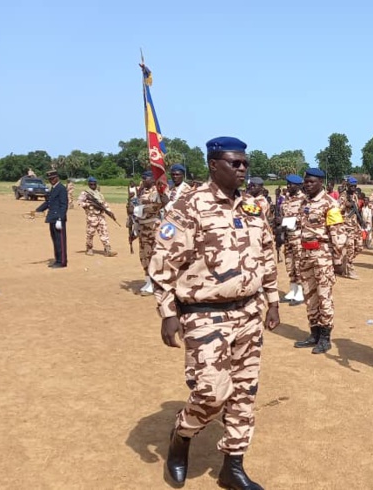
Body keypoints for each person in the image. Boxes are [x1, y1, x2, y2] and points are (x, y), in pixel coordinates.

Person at [150, 136, 277, 490]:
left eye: (244, 163)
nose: (242, 169)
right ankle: (182, 435)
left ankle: (232, 466)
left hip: (249, 312)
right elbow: (162, 262)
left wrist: (273, 298)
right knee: (211, 392)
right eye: (234, 163)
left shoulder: (254, 206)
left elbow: (266, 253)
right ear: (213, 164)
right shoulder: (189, 205)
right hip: (205, 314)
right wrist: (167, 311)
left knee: (244, 392)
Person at [293, 168, 346, 354]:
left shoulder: (330, 204)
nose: (307, 184)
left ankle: (325, 337)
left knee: (324, 296)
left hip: (322, 255)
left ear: (320, 183)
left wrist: (338, 259)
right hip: (305, 254)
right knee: (309, 295)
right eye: (306, 181)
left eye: (311, 182)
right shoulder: (304, 202)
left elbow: (337, 233)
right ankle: (313, 333)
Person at [131, 170, 163, 295]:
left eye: (146, 178)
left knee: (151, 255)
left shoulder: (156, 192)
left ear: (153, 179)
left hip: (152, 227)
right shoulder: (141, 191)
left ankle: (155, 284)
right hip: (142, 227)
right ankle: (148, 281)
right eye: (142, 178)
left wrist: (139, 209)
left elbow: (156, 207)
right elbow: (134, 205)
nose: (143, 180)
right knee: (143, 255)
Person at [32, 169, 69, 268]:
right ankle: (57, 259)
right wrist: (37, 210)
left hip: (58, 218)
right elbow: (48, 203)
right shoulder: (53, 188)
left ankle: (62, 261)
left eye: (53, 178)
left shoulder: (61, 189)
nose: (51, 180)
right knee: (55, 240)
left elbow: (64, 205)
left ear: (57, 177)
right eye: (49, 179)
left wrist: (60, 219)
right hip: (52, 218)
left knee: (60, 240)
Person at [76, 176, 118, 257]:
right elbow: (79, 202)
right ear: (88, 184)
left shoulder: (99, 194)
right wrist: (89, 204)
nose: (93, 186)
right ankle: (89, 248)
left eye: (94, 184)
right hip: (91, 216)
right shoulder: (85, 193)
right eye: (91, 184)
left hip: (100, 216)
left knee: (104, 232)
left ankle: (107, 249)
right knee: (90, 233)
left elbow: (104, 204)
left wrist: (110, 212)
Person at [281, 174, 306, 305]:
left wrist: (285, 221)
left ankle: (300, 293)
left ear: (299, 185)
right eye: (288, 184)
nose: (289, 186)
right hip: (287, 236)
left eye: (291, 184)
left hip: (298, 236)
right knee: (289, 263)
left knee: (298, 264)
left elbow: (303, 218)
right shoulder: (286, 199)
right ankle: (292, 289)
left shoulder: (304, 200)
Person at [338, 176, 363, 279]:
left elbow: (357, 209)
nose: (353, 188)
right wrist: (345, 205)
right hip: (346, 226)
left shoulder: (355, 196)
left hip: (355, 225)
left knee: (359, 247)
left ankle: (344, 262)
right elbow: (338, 210)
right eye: (351, 186)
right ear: (347, 185)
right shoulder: (343, 196)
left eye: (355, 186)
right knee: (350, 248)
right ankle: (349, 269)